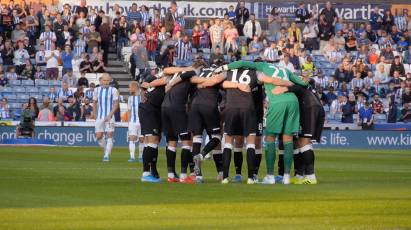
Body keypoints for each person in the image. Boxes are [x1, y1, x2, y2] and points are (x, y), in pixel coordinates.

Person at [216, 60, 306, 184]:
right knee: (288, 139)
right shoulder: (286, 70)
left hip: (277, 103)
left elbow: (242, 63)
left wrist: (224, 67)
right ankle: (286, 177)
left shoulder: (262, 67)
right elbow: (303, 83)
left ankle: (270, 176)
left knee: (270, 138)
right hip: (293, 101)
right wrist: (288, 86)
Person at [92, 74, 119, 162]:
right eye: (104, 80)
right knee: (98, 136)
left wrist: (110, 115)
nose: (106, 82)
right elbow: (94, 103)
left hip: (110, 116)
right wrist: (95, 115)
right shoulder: (96, 90)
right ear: (101, 81)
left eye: (108, 80)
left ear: (110, 81)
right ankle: (106, 150)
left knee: (110, 135)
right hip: (99, 116)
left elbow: (116, 104)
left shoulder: (114, 90)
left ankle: (106, 155)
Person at [127, 81, 144, 163]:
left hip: (142, 122)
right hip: (133, 122)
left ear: (134, 87)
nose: (128, 89)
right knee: (132, 138)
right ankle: (132, 157)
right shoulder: (130, 98)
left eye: (129, 87)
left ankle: (141, 156)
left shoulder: (143, 97)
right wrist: (129, 122)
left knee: (142, 139)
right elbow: (129, 111)